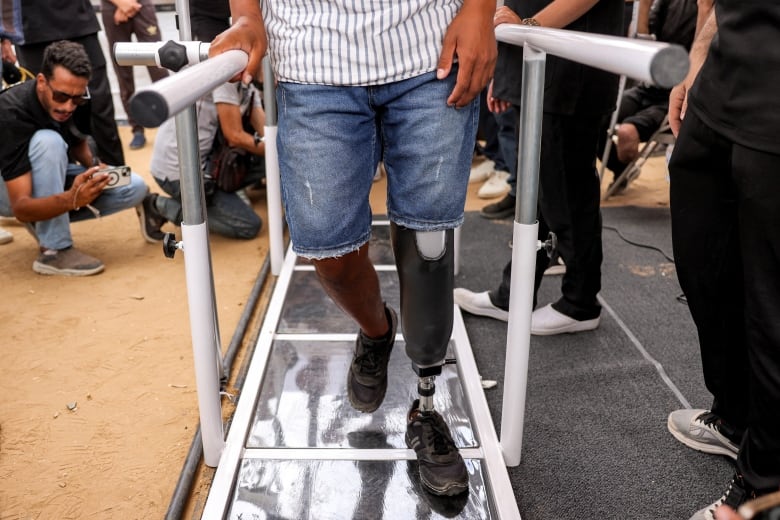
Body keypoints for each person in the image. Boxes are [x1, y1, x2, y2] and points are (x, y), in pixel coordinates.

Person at [209, 0, 495, 497]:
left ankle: (427, 410)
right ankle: (377, 330)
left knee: (429, 241)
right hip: (314, 57)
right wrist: (247, 15)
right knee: (327, 247)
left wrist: (478, 9)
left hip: (430, 49)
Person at [663, 1, 780, 518]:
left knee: (771, 307)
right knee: (703, 265)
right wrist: (695, 64)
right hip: (718, 87)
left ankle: (765, 485)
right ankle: (737, 418)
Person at [454, 0, 623, 335]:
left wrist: (529, 29)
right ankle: (513, 294)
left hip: (567, 62)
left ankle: (580, 301)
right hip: (536, 53)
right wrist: (508, 71)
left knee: (566, 191)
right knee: (540, 192)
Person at [0, 40, 165, 276]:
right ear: (41, 82)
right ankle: (54, 251)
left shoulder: (78, 97)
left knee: (134, 186)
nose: (68, 106)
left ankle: (44, 216)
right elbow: (21, 208)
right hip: (9, 192)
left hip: (46, 179)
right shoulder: (10, 112)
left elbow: (77, 139)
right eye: (61, 96)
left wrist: (94, 167)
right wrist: (72, 199)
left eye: (76, 99)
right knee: (49, 142)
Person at [599, 0, 697, 191]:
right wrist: (643, 7)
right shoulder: (668, 3)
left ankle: (623, 169)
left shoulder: (711, 9)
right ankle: (621, 169)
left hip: (677, 94)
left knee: (627, 134)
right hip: (649, 86)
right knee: (595, 115)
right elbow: (640, 43)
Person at [15, 0, 125, 167]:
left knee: (99, 107)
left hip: (80, 22)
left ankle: (119, 181)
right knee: (44, 111)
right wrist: (4, 37)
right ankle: (66, 182)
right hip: (31, 30)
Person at [149, 80, 264, 239]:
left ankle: (226, 192)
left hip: (207, 161)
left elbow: (267, 132)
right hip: (179, 172)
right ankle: (157, 206)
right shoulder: (229, 77)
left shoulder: (247, 81)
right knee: (249, 226)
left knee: (267, 158)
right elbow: (234, 136)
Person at [100, 0, 169, 150]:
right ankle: (137, 129)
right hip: (111, 7)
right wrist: (121, 3)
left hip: (141, 4)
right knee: (123, 74)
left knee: (159, 66)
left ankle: (172, 125)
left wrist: (128, 3)